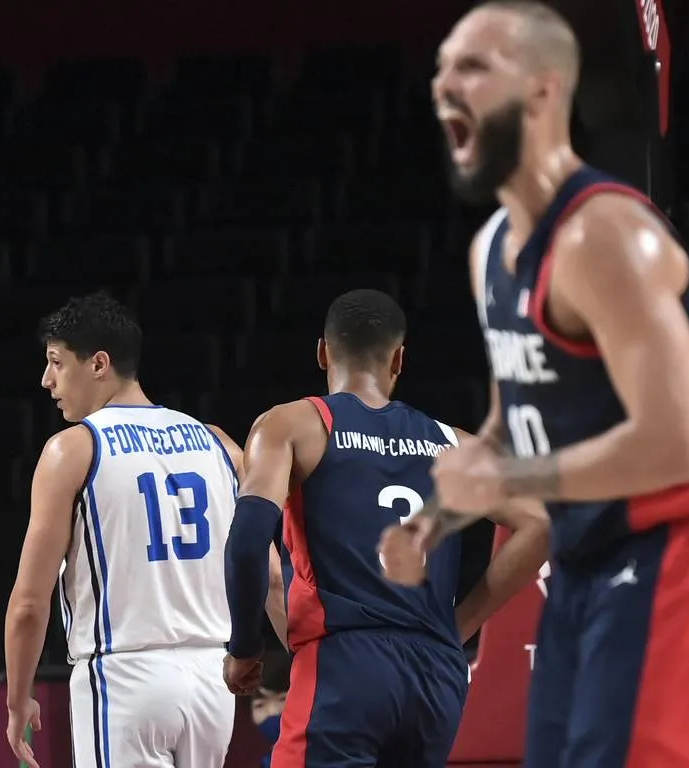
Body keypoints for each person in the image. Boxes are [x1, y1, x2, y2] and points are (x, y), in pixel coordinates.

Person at [412, 1, 689, 765]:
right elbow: (513, 414)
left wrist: (512, 477)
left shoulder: (609, 237)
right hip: (583, 564)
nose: (445, 84)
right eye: (442, 66)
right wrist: (438, 515)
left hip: (670, 557)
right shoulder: (492, 250)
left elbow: (679, 445)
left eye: (474, 66)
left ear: (545, 91)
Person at [223, 289, 549, 767]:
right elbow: (541, 524)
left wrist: (245, 648)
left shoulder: (293, 424)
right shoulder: (454, 445)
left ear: (322, 352)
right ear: (399, 359)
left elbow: (249, 541)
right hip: (435, 677)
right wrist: (459, 626)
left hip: (345, 660)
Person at [3, 291, 283, 768]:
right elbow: (273, 577)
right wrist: (310, 663)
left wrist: (16, 700)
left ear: (99, 364)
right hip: (211, 680)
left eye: (56, 362)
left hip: (124, 674)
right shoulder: (219, 444)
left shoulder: (73, 449)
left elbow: (30, 603)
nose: (46, 379)